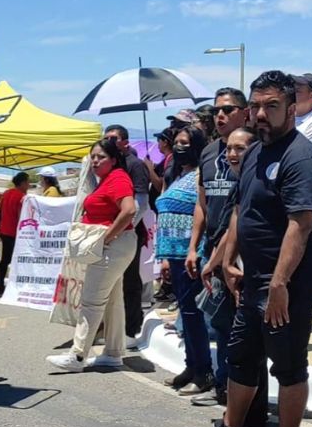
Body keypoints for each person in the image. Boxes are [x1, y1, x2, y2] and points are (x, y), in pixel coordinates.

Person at [183, 71, 312, 427]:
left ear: (292, 108)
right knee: (242, 357)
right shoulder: (253, 153)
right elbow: (238, 213)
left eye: (272, 106)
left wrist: (280, 283)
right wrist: (227, 260)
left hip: (288, 284)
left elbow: (301, 225)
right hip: (252, 280)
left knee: (287, 365)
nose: (262, 114)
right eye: (257, 106)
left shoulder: (301, 158)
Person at [185, 87, 252, 407]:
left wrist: (220, 256)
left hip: (238, 249)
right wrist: (194, 247)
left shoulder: (253, 150)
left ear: (245, 112)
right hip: (211, 247)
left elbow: (240, 212)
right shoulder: (210, 152)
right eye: (216, 111)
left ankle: (236, 390)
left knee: (237, 322)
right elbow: (202, 203)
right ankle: (223, 384)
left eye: (227, 109)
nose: (220, 116)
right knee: (220, 320)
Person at [46, 138, 137, 371]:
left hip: (111, 246)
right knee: (112, 300)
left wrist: (107, 237)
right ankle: (114, 353)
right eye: (93, 156)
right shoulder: (107, 180)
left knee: (92, 300)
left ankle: (77, 355)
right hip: (114, 245)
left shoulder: (117, 178)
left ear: (114, 160)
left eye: (101, 157)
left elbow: (129, 210)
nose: (95, 161)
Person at [156, 126, 213, 395]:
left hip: (192, 253)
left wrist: (194, 249)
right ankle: (191, 365)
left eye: (185, 143)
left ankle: (203, 372)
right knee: (186, 314)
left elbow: (202, 212)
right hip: (173, 255)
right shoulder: (176, 175)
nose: (179, 147)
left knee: (193, 315)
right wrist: (166, 258)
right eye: (176, 142)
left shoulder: (201, 175)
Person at [103, 124, 150, 348]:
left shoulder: (135, 165)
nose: (109, 142)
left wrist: (123, 228)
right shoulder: (110, 166)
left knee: (130, 281)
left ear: (124, 142)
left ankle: (132, 328)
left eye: (114, 138)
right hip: (111, 233)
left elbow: (141, 203)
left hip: (129, 233)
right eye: (106, 138)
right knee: (113, 283)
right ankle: (114, 328)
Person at [0, 171, 29, 296]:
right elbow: (22, 216)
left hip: (4, 230)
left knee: (4, 260)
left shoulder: (6, 193)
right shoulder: (22, 197)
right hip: (16, 232)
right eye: (27, 182)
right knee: (17, 260)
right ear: (22, 183)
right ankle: (15, 287)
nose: (29, 185)